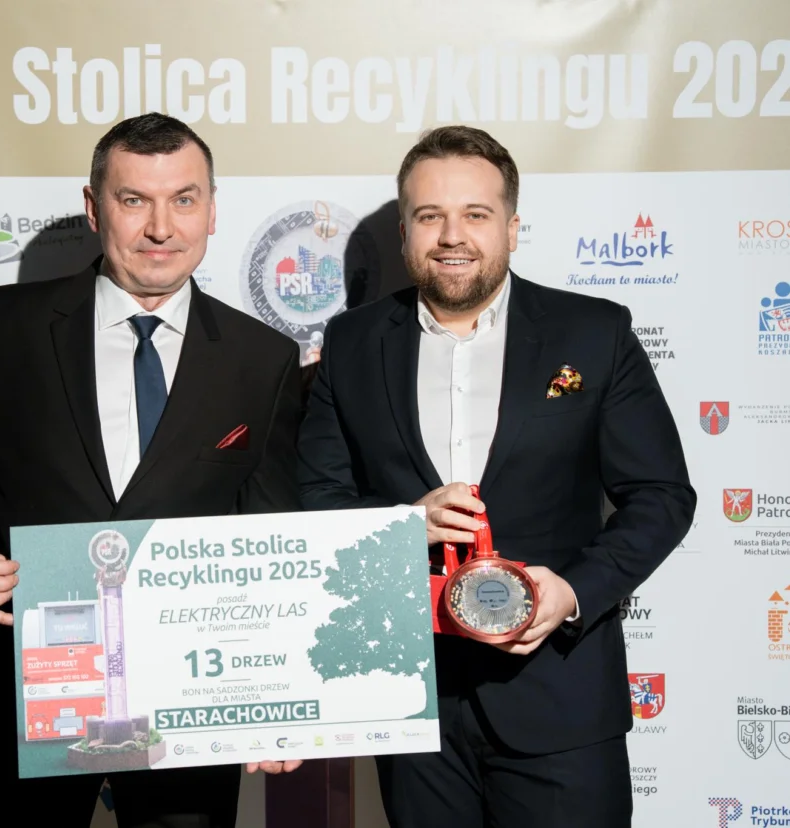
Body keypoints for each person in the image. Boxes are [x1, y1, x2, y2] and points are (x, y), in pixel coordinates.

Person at [0, 112, 302, 828]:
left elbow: (270, 532)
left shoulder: (262, 359)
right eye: (134, 200)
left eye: (184, 199)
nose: (161, 228)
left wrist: (274, 691)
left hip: (191, 711)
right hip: (25, 698)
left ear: (212, 210)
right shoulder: (0, 328)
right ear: (93, 207)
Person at [296, 125, 695, 827]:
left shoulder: (594, 332)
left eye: (475, 214)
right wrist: (402, 526)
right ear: (404, 233)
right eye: (430, 216)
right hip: (411, 702)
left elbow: (661, 497)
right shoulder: (353, 342)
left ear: (511, 228)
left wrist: (572, 591)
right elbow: (316, 499)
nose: (453, 236)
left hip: (561, 698)